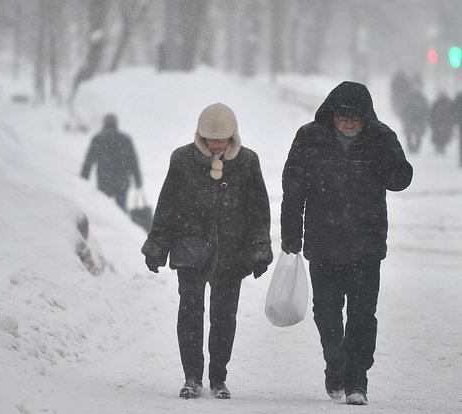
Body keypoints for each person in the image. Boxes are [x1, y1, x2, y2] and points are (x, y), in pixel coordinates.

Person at [281, 81, 413, 406]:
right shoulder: (309, 138)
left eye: (356, 116)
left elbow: (400, 179)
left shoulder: (380, 138)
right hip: (323, 244)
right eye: (343, 115)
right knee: (327, 314)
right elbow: (293, 189)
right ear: (332, 114)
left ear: (366, 116)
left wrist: (383, 152)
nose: (349, 122)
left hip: (366, 247)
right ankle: (335, 363)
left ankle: (357, 380)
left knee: (363, 317)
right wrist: (290, 236)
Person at [141, 103, 272, 400]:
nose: (215, 143)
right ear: (200, 135)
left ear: (232, 136)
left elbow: (258, 210)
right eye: (210, 137)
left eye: (221, 138)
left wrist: (260, 247)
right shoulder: (182, 159)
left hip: (231, 251)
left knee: (224, 317)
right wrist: (157, 245)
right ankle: (191, 378)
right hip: (190, 249)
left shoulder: (248, 162)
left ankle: (218, 378)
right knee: (189, 315)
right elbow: (168, 207)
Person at [80, 114, 142, 210]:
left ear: (104, 123)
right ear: (116, 124)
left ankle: (107, 224)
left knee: (105, 211)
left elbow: (89, 160)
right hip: (122, 181)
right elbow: (133, 161)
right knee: (121, 212)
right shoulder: (125, 139)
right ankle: (120, 224)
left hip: (104, 180)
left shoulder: (98, 138)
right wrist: (138, 180)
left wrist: (83, 179)